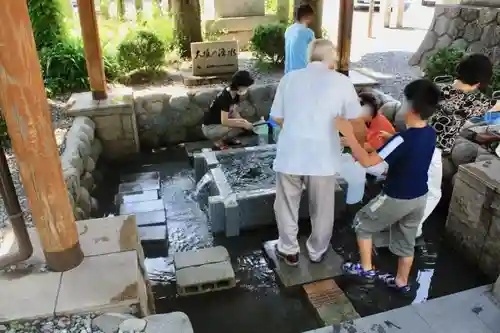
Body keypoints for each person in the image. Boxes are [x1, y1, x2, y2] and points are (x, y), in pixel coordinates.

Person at [338, 79, 441, 293]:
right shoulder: (430, 133)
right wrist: (391, 137)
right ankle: (402, 283)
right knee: (406, 239)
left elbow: (367, 162)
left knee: (362, 223)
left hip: (397, 197)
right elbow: (412, 144)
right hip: (419, 197)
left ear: (410, 107)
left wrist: (349, 136)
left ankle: (366, 270)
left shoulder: (401, 140)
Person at [270, 39, 364, 266]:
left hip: (291, 152)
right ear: (330, 58)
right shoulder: (342, 82)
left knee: (286, 203)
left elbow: (277, 117)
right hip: (323, 156)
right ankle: (316, 251)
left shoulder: (289, 79)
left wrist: (296, 130)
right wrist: (350, 141)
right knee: (322, 208)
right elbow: (356, 121)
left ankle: (288, 249)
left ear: (309, 56)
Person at [394, 53, 500, 155]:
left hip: (412, 139)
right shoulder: (474, 102)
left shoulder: (436, 87)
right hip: (436, 151)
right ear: (479, 83)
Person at [202, 70, 255, 149]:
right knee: (238, 125)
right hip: (210, 128)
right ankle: (218, 141)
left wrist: (245, 122)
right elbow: (225, 121)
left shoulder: (235, 94)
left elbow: (234, 112)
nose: (246, 88)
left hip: (219, 124)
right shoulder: (224, 97)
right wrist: (243, 124)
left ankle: (228, 139)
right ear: (238, 85)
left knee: (241, 125)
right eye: (245, 86)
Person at [284, 4, 315, 74]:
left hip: (288, 72)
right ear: (308, 16)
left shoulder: (288, 30)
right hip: (302, 72)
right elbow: (316, 51)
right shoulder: (308, 32)